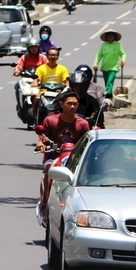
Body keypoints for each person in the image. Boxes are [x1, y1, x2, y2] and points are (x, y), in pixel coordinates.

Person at [35, 89, 90, 223]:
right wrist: (41, 144)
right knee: (49, 168)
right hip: (53, 156)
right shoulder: (50, 121)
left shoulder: (83, 124)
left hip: (74, 159)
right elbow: (42, 137)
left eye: (75, 104)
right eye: (69, 103)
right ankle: (45, 204)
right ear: (61, 104)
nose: (72, 106)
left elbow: (87, 142)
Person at [32, 47, 69, 122]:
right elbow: (36, 79)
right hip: (43, 91)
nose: (53, 57)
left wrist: (68, 85)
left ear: (58, 57)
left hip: (58, 92)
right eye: (51, 55)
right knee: (37, 98)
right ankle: (35, 115)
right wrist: (35, 83)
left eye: (55, 55)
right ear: (47, 56)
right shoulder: (41, 68)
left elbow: (66, 81)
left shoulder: (63, 69)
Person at [14, 35, 47, 111]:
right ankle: (19, 105)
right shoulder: (24, 57)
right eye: (32, 47)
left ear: (38, 48)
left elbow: (47, 67)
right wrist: (17, 71)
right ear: (28, 48)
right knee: (17, 86)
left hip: (39, 79)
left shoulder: (43, 57)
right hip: (26, 79)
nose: (34, 49)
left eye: (35, 47)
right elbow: (19, 66)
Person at [93, 29, 126, 98]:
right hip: (105, 67)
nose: (110, 37)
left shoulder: (117, 45)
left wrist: (123, 60)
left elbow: (123, 54)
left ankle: (107, 96)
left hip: (114, 67)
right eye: (109, 36)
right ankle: (110, 97)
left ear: (114, 37)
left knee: (109, 82)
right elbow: (99, 55)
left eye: (112, 36)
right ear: (107, 37)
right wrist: (96, 64)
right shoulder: (103, 45)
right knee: (107, 83)